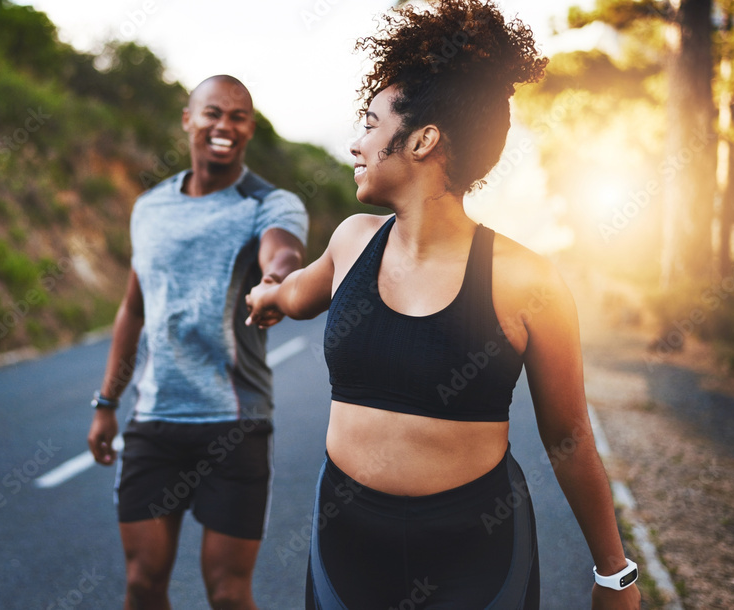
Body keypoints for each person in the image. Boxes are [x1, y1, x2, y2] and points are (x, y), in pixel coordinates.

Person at [244, 2, 641, 608]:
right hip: (346, 549)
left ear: (423, 139)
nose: (356, 143)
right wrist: (267, 296)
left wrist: (615, 575)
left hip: (477, 559)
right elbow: (298, 293)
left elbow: (568, 436)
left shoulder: (525, 281)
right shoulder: (352, 241)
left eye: (371, 124)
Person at [87, 74, 308, 609]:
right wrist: (106, 404)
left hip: (235, 424)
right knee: (142, 583)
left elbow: (281, 254)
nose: (223, 126)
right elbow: (134, 309)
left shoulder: (269, 203)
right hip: (155, 422)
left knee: (228, 594)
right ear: (188, 119)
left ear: (250, 128)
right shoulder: (150, 209)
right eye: (212, 112)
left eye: (237, 116)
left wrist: (274, 284)